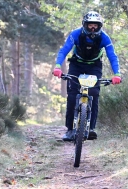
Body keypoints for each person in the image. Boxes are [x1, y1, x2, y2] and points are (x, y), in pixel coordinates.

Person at [52, 11, 121, 141]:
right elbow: (64, 50)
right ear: (85, 25)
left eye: (96, 25)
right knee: (72, 95)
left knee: (94, 94)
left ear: (100, 26)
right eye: (90, 25)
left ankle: (90, 129)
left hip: (94, 66)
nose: (93, 28)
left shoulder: (104, 37)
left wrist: (117, 74)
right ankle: (70, 130)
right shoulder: (76, 34)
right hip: (76, 65)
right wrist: (57, 66)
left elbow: (112, 56)